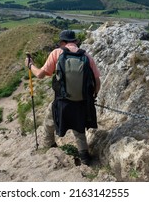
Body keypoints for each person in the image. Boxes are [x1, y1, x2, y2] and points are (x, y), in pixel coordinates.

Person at [25, 30, 101, 165]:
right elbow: (97, 81)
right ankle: (84, 156)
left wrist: (30, 65)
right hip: (82, 102)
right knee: (79, 128)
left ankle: (49, 144)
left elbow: (41, 75)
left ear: (62, 42)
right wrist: (93, 96)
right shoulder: (87, 57)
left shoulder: (56, 53)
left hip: (62, 102)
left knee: (49, 120)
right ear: (75, 41)